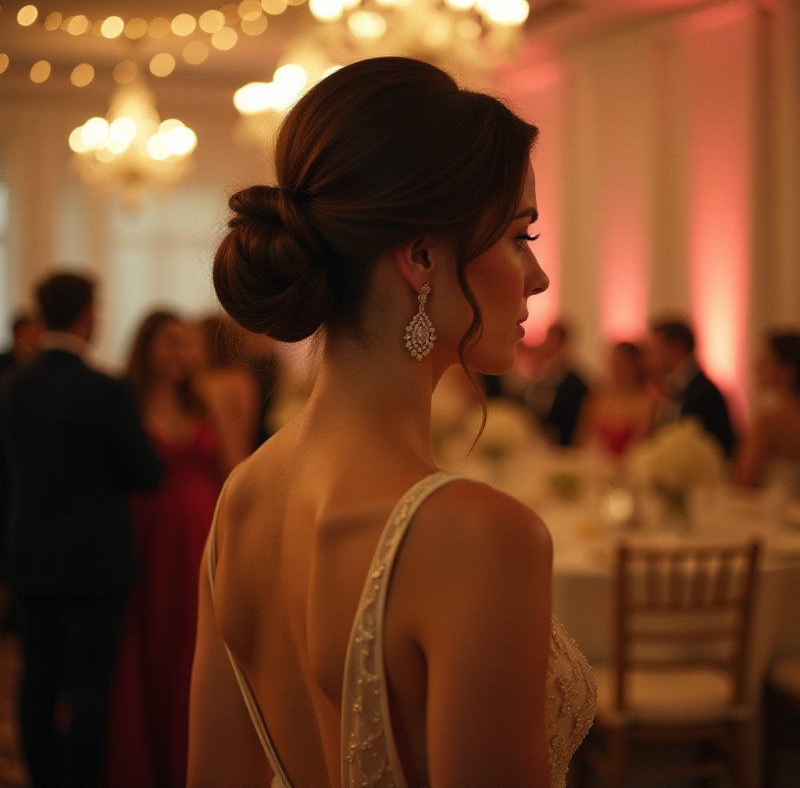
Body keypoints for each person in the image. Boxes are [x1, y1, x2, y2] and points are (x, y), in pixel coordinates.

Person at [188, 57, 596, 788]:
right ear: (422, 257)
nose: (537, 277)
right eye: (519, 236)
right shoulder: (477, 535)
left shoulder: (243, 498)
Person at [0, 272, 162, 788]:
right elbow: (147, 472)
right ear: (87, 315)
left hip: (29, 553)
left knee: (37, 677)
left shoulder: (12, 388)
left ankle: (41, 776)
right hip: (98, 559)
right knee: (91, 685)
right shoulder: (105, 389)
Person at [105, 310, 224, 788]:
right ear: (146, 347)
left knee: (197, 647)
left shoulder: (202, 401)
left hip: (201, 534)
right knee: (153, 644)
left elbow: (230, 466)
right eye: (169, 343)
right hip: (150, 538)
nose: (180, 354)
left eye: (185, 344)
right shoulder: (126, 403)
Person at [648, 318, 735, 456]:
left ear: (677, 348)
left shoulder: (704, 392)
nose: (649, 358)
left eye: (654, 350)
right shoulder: (671, 389)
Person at [193, 313, 262, 473]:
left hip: (220, 471)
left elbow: (229, 441)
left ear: (208, 342)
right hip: (246, 461)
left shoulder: (211, 383)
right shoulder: (243, 379)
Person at [735, 330, 800, 497]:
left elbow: (746, 481)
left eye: (765, 361)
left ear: (787, 371)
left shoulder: (769, 421)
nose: (756, 368)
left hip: (768, 515)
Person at [575, 341, 656, 457]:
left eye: (620, 361)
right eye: (613, 361)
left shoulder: (646, 401)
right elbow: (581, 439)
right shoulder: (598, 397)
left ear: (634, 364)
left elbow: (642, 445)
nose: (615, 367)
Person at [523, 320, 590, 446]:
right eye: (548, 340)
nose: (549, 346)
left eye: (554, 341)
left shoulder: (577, 384)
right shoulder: (536, 378)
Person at [0, 312, 41, 382]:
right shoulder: (3, 362)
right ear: (17, 335)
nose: (35, 339)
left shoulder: (40, 362)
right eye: (30, 334)